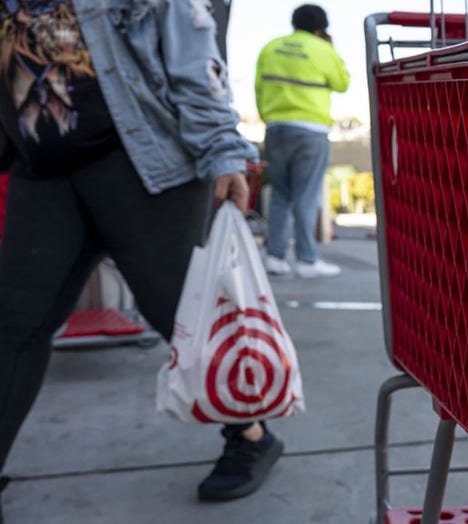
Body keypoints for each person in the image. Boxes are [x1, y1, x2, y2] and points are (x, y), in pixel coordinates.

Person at [0, 1, 283, 519]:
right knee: (14, 324)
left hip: (142, 162)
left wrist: (222, 149)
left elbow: (195, 53)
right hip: (43, 171)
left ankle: (252, 434)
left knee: (181, 314)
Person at [255, 4, 350, 278]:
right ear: (321, 29)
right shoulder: (322, 50)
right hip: (310, 131)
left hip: (275, 129)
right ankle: (307, 260)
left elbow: (258, 88)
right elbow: (343, 83)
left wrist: (269, 118)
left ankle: (275, 258)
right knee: (306, 196)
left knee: (280, 195)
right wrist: (330, 48)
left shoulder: (271, 47)